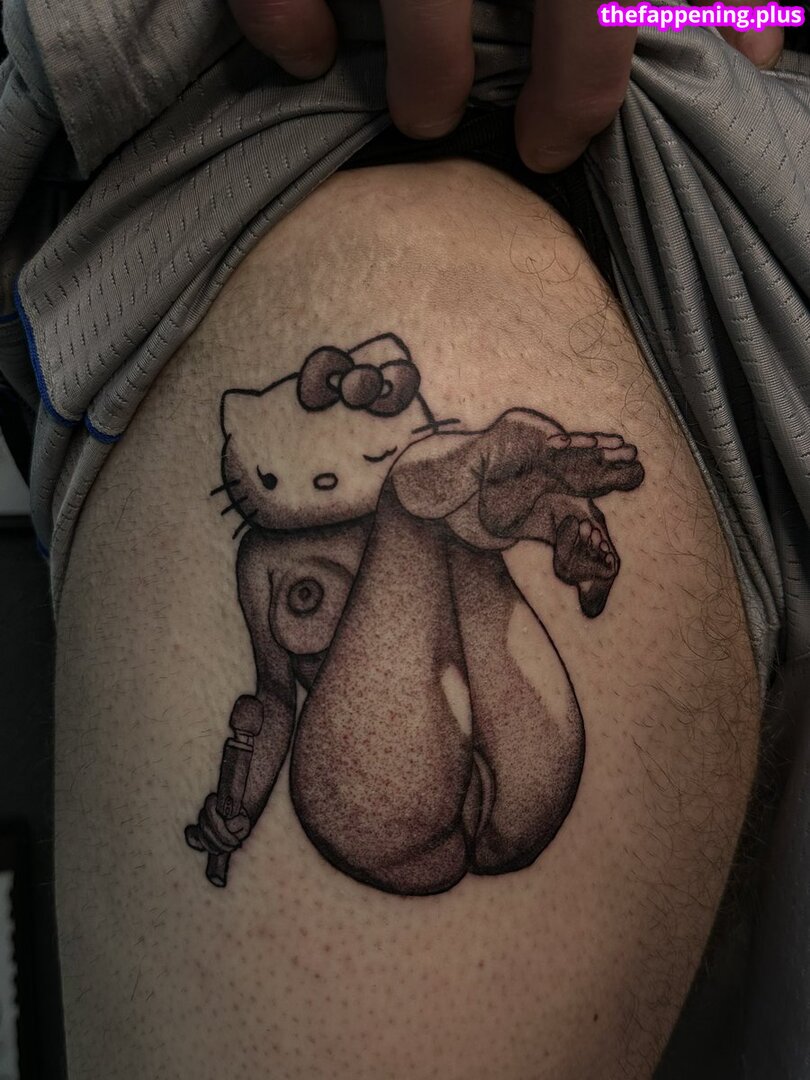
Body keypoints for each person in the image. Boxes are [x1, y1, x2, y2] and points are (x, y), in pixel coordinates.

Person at [0, 1, 807, 1077]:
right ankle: (475, 489)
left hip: (517, 771)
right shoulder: (272, 552)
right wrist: (233, 811)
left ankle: (502, 497)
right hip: (385, 805)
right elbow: (266, 704)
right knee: (432, 524)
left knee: (456, 543)